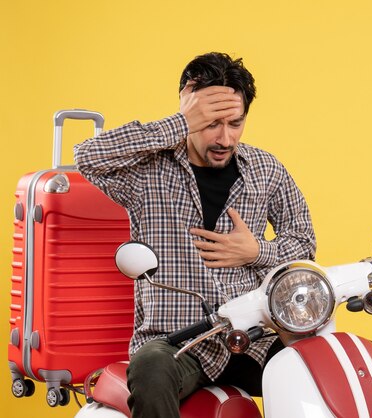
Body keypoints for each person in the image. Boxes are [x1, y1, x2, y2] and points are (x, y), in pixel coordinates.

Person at [74, 52, 316, 418]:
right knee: (151, 368)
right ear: (188, 108)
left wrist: (257, 252)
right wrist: (180, 123)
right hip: (177, 344)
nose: (224, 137)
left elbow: (304, 243)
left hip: (249, 341)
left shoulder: (266, 170)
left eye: (235, 123)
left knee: (326, 360)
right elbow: (88, 157)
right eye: (211, 122)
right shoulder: (147, 171)